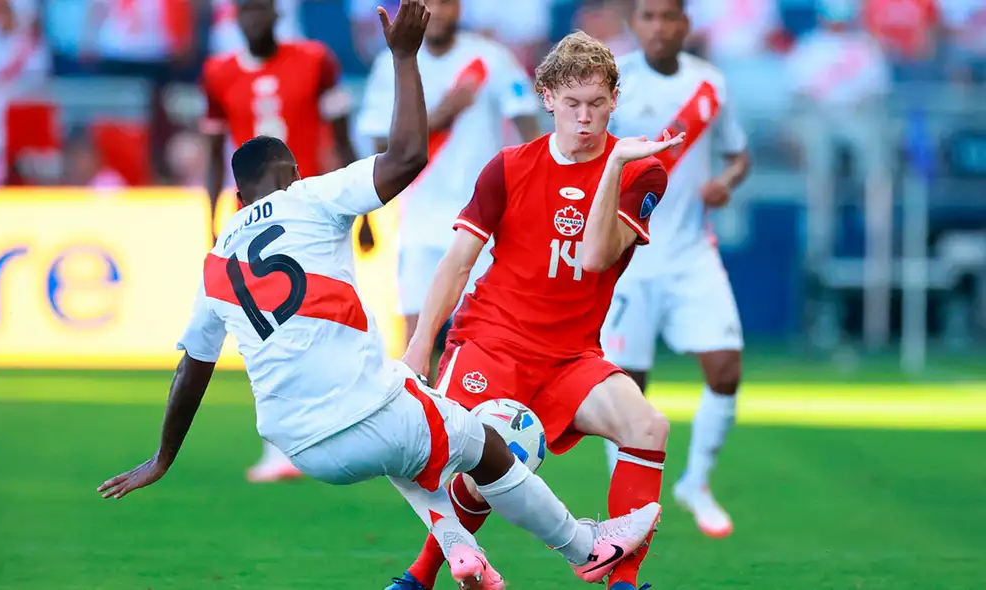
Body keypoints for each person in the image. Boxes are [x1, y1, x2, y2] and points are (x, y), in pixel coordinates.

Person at [97, 6, 659, 589]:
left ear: (239, 196)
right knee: (476, 444)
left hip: (296, 444)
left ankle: (454, 556)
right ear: (293, 171)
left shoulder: (217, 257)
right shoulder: (311, 196)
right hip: (370, 400)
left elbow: (193, 366)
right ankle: (583, 543)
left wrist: (162, 457)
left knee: (415, 432)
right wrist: (403, 57)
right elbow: (406, 157)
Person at [387, 31, 684, 590]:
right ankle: (421, 576)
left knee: (648, 426)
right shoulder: (507, 167)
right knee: (473, 468)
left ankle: (621, 582)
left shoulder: (642, 171)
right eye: (572, 104)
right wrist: (419, 344)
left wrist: (613, 165)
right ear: (547, 96)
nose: (585, 118)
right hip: (492, 342)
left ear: (615, 100)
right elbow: (456, 264)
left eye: (597, 104)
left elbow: (596, 256)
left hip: (572, 356)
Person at [600, 0, 751, 540]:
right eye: (648, 16)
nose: (659, 27)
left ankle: (696, 481)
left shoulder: (710, 83)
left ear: (686, 23)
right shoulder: (612, 80)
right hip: (629, 258)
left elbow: (738, 153)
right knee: (626, 393)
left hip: (692, 254)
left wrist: (726, 183)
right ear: (633, 23)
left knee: (726, 370)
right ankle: (626, 513)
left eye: (669, 16)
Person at [200, 0, 367, 482]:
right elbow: (214, 152)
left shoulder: (315, 60)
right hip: (249, 223)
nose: (253, 18)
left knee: (331, 321)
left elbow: (341, 134)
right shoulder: (217, 73)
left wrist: (365, 213)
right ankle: (278, 448)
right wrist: (208, 217)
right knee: (264, 334)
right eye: (245, 11)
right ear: (235, 20)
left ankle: (344, 428)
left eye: (261, 9)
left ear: (276, 14)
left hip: (314, 210)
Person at [357, 0, 542, 353]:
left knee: (482, 338)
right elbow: (381, 143)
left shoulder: (492, 58)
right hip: (418, 219)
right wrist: (440, 114)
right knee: (416, 339)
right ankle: (419, 409)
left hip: (481, 223)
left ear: (459, 8)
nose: (438, 12)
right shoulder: (392, 63)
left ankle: (476, 409)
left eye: (446, 3)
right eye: (430, 4)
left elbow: (529, 130)